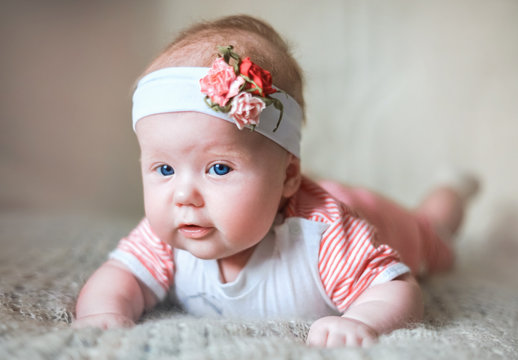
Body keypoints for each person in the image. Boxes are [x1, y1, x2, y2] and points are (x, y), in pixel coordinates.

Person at [73, 15, 478, 347]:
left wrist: (364, 321)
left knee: (433, 232)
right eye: (164, 169)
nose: (183, 195)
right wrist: (103, 313)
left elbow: (399, 289)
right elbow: (118, 277)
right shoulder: (169, 232)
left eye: (218, 168)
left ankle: (452, 190)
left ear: (288, 176)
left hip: (385, 222)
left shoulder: (325, 236)